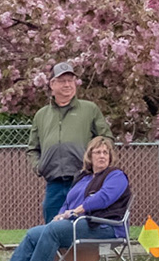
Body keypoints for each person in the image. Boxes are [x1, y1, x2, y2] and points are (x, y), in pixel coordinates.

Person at [0, 137, 130, 261]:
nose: (102, 156)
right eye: (98, 152)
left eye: (105, 152)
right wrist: (61, 214)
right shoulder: (83, 177)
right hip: (79, 224)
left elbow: (104, 198)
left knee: (53, 230)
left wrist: (79, 210)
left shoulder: (116, 175)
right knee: (33, 234)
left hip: (106, 226)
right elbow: (68, 202)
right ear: (89, 156)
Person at [27, 62, 114, 223]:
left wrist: (95, 163)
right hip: (54, 183)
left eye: (70, 80)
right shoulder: (41, 115)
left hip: (84, 180)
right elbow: (33, 148)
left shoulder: (90, 109)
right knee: (52, 227)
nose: (67, 84)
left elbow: (106, 139)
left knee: (82, 225)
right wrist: (39, 167)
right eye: (62, 81)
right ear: (52, 84)